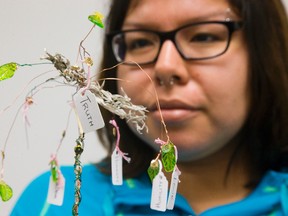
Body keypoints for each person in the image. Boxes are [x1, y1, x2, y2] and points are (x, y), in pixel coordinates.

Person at [11, 0, 288, 215]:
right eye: (141, 41)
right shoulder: (50, 201)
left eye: (203, 37)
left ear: (266, 52)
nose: (166, 66)